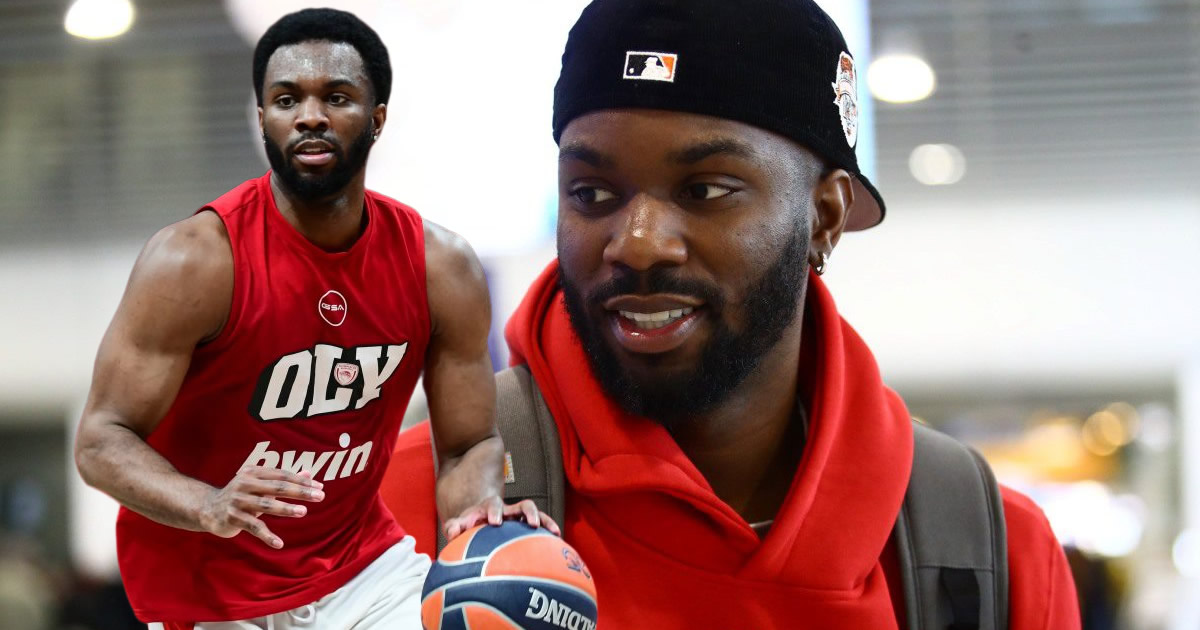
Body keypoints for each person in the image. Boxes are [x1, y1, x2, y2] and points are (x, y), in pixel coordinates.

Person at [381, 0, 1081, 628]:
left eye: (707, 190)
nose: (638, 243)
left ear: (824, 216)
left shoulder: (985, 554)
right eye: (592, 193)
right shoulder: (397, 509)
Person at [73, 8, 554, 629]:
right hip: (210, 589)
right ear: (262, 119)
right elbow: (101, 439)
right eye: (286, 99)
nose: (309, 116)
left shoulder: (441, 267)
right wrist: (209, 504)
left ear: (377, 119)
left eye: (336, 97)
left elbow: (468, 444)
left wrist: (478, 518)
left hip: (364, 573)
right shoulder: (194, 261)